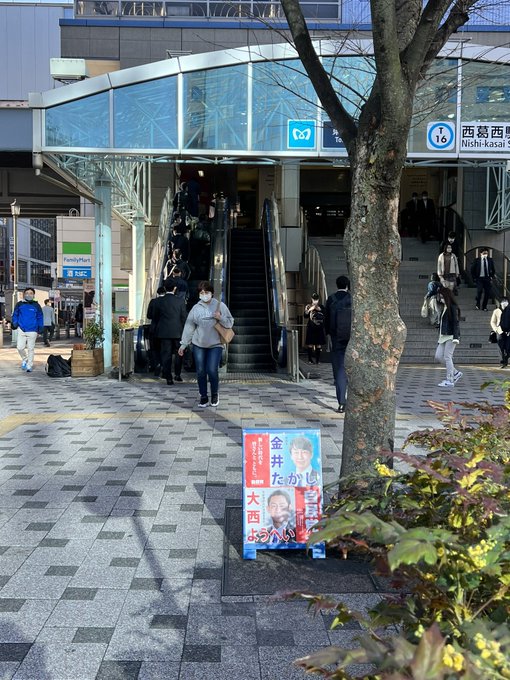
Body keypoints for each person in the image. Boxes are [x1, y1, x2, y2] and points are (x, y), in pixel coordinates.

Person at [178, 280, 234, 407]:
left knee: (212, 370)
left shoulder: (220, 306)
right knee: (201, 371)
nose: (204, 294)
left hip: (215, 344)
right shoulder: (196, 308)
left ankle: (214, 394)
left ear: (212, 293)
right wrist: (183, 344)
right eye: (202, 292)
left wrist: (220, 318)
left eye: (207, 292)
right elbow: (189, 327)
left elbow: (230, 323)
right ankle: (203, 396)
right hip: (198, 344)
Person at [325, 275, 352, 414]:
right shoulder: (353, 299)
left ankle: (342, 402)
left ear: (337, 285)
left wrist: (328, 334)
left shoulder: (331, 299)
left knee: (340, 370)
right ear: (348, 285)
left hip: (337, 340)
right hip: (353, 339)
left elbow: (326, 320)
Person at [152, 279, 187, 385]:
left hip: (163, 332)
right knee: (179, 353)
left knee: (166, 354)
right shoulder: (180, 301)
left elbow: (154, 316)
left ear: (165, 288)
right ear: (175, 288)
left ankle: (168, 377)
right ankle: (177, 374)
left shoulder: (158, 301)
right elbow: (184, 317)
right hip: (178, 332)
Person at [11, 287, 44, 373]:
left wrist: (40, 328)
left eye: (31, 293)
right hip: (21, 329)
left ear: (33, 295)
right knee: (20, 347)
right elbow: (15, 314)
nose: (29, 295)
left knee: (30, 348)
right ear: (24, 294)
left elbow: (40, 317)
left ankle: (29, 365)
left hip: (33, 330)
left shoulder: (36, 305)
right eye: (27, 293)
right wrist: (15, 323)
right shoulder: (19, 304)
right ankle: (24, 359)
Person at [435, 286, 462, 387]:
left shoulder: (452, 308)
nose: (440, 299)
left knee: (447, 357)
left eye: (442, 297)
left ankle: (450, 380)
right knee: (438, 356)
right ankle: (455, 373)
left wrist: (456, 337)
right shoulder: (444, 307)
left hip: (451, 336)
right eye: (439, 297)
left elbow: (456, 323)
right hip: (443, 336)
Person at [146, 286, 166, 375]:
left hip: (154, 328)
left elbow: (149, 316)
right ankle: (164, 366)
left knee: (154, 348)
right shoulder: (167, 302)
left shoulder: (153, 302)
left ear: (157, 293)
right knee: (165, 349)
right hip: (165, 329)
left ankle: (156, 364)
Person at [304, 293, 326, 364]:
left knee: (318, 344)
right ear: (311, 299)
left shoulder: (321, 306)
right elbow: (305, 315)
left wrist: (319, 309)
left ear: (318, 300)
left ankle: (317, 360)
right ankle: (310, 359)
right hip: (311, 327)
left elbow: (325, 314)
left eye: (316, 299)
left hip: (319, 328)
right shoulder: (308, 306)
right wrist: (310, 309)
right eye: (314, 299)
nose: (315, 301)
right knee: (310, 344)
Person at [490, 297, 509, 368]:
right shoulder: (496, 311)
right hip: (500, 331)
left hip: (508, 332)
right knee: (500, 347)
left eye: (506, 301)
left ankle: (506, 358)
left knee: (508, 348)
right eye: (503, 301)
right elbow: (492, 322)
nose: (504, 302)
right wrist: (496, 329)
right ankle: (502, 362)